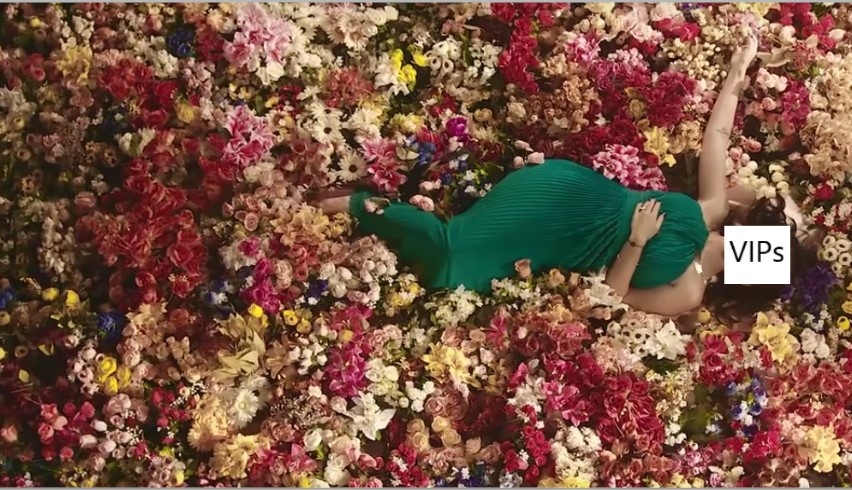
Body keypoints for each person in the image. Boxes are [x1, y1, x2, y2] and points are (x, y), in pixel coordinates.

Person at [315, 33, 820, 318]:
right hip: (568, 193)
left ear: (750, 274)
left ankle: (361, 203)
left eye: (762, 255)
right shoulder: (711, 212)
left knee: (450, 265)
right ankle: (356, 204)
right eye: (763, 243)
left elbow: (611, 298)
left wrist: (637, 242)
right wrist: (737, 73)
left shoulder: (687, 291)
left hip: (568, 245)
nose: (752, 247)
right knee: (453, 245)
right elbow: (717, 140)